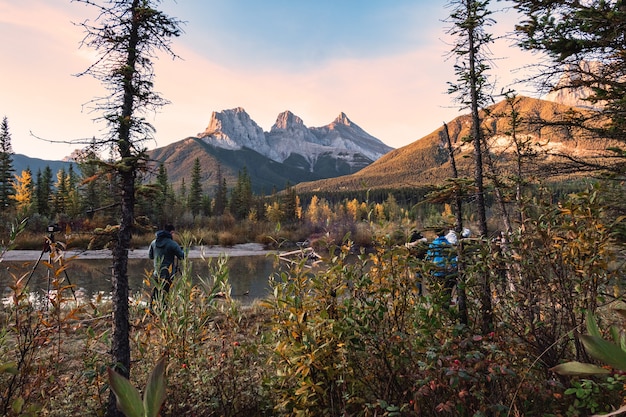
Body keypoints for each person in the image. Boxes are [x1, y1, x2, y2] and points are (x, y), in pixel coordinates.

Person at [149, 224, 185, 306]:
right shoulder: (172, 244)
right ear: (171, 232)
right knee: (165, 294)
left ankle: (152, 309)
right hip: (167, 275)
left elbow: (150, 256)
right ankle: (163, 311)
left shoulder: (153, 243)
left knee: (155, 293)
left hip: (156, 273)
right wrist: (183, 250)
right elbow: (182, 257)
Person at [426, 228, 458, 304]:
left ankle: (439, 309)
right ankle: (446, 307)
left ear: (436, 234)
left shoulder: (433, 245)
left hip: (437, 272)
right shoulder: (448, 244)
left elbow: (429, 257)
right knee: (447, 292)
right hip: (447, 272)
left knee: (438, 292)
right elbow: (453, 258)